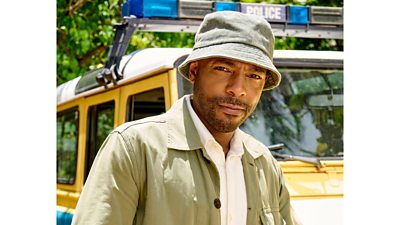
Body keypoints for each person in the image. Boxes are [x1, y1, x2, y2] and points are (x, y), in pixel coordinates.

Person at [72, 11, 301, 225]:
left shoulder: (264, 163)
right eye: (223, 68)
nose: (238, 89)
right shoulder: (134, 148)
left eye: (254, 75)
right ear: (194, 71)